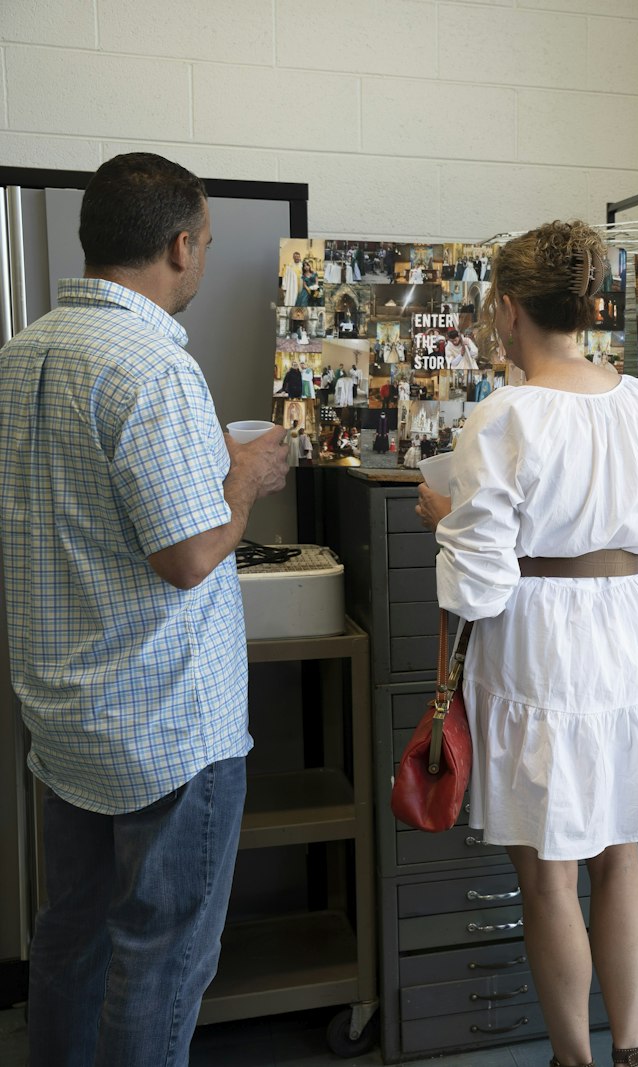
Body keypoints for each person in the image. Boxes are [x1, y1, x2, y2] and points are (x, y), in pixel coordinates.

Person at [0, 153, 290, 1066]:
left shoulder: (22, 352)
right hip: (165, 725)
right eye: (204, 241)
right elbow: (189, 555)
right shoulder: (154, 367)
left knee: (71, 935)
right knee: (160, 958)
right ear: (178, 244)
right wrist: (245, 480)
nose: (202, 257)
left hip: (67, 716)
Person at [417, 221, 638, 1067]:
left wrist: (444, 522)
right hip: (632, 633)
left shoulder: (503, 417)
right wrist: (635, 640)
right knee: (621, 860)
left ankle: (572, 1058)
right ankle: (632, 1051)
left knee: (548, 875)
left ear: (508, 310)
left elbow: (478, 587)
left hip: (536, 646)